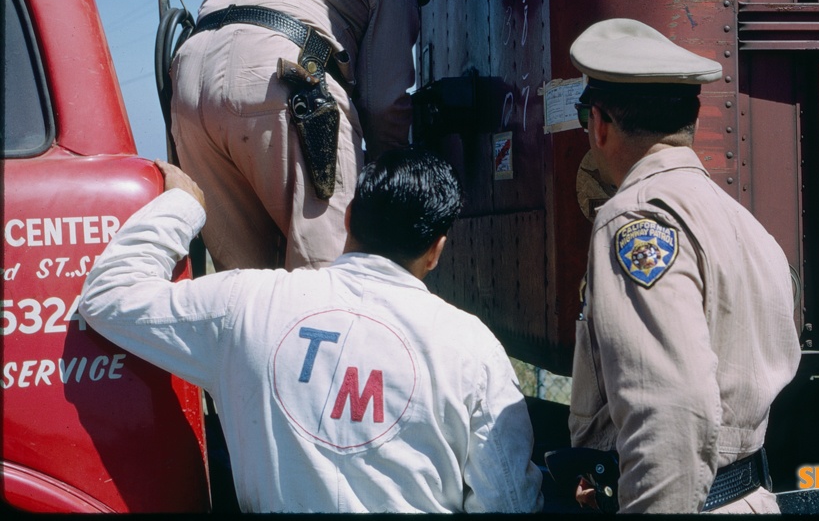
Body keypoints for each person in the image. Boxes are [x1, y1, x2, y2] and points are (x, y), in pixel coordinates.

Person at [78, 150, 544, 513]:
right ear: (436, 250)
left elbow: (109, 295)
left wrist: (182, 205)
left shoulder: (245, 304)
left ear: (348, 219)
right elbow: (508, 501)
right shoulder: (471, 346)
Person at [566, 19, 802, 513]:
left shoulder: (634, 218)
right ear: (690, 119)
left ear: (599, 123)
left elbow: (669, 413)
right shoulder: (744, 225)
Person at [169, 0, 432, 271]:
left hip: (189, 82)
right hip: (281, 75)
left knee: (243, 283)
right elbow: (382, 103)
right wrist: (389, 176)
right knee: (327, 270)